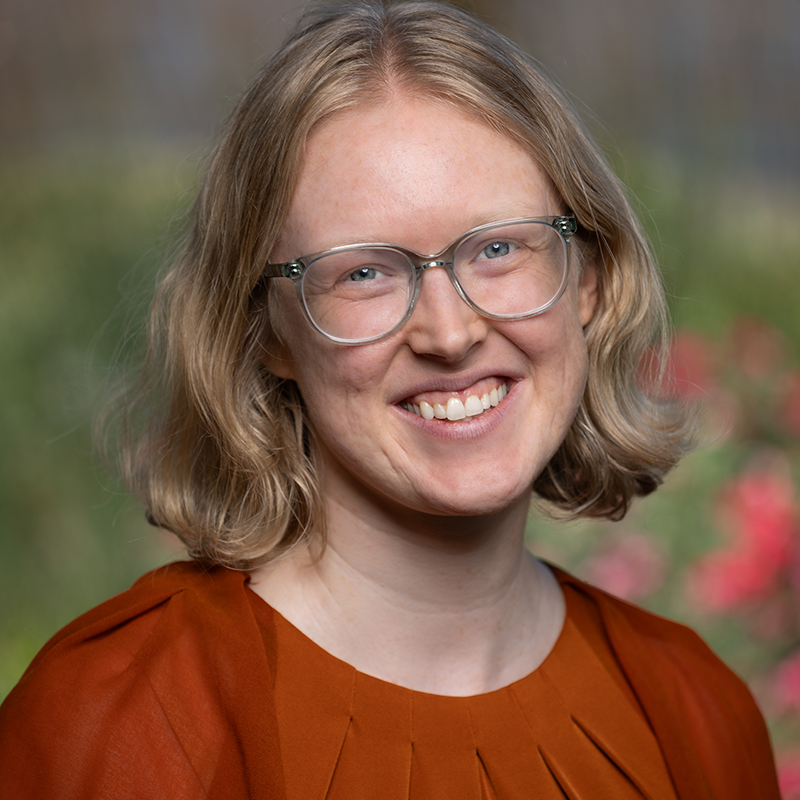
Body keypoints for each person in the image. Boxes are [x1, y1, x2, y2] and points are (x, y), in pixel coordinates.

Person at [0, 1, 781, 797]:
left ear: (588, 279)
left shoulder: (693, 712)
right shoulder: (118, 722)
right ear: (265, 331)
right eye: (365, 271)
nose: (450, 331)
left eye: (501, 247)